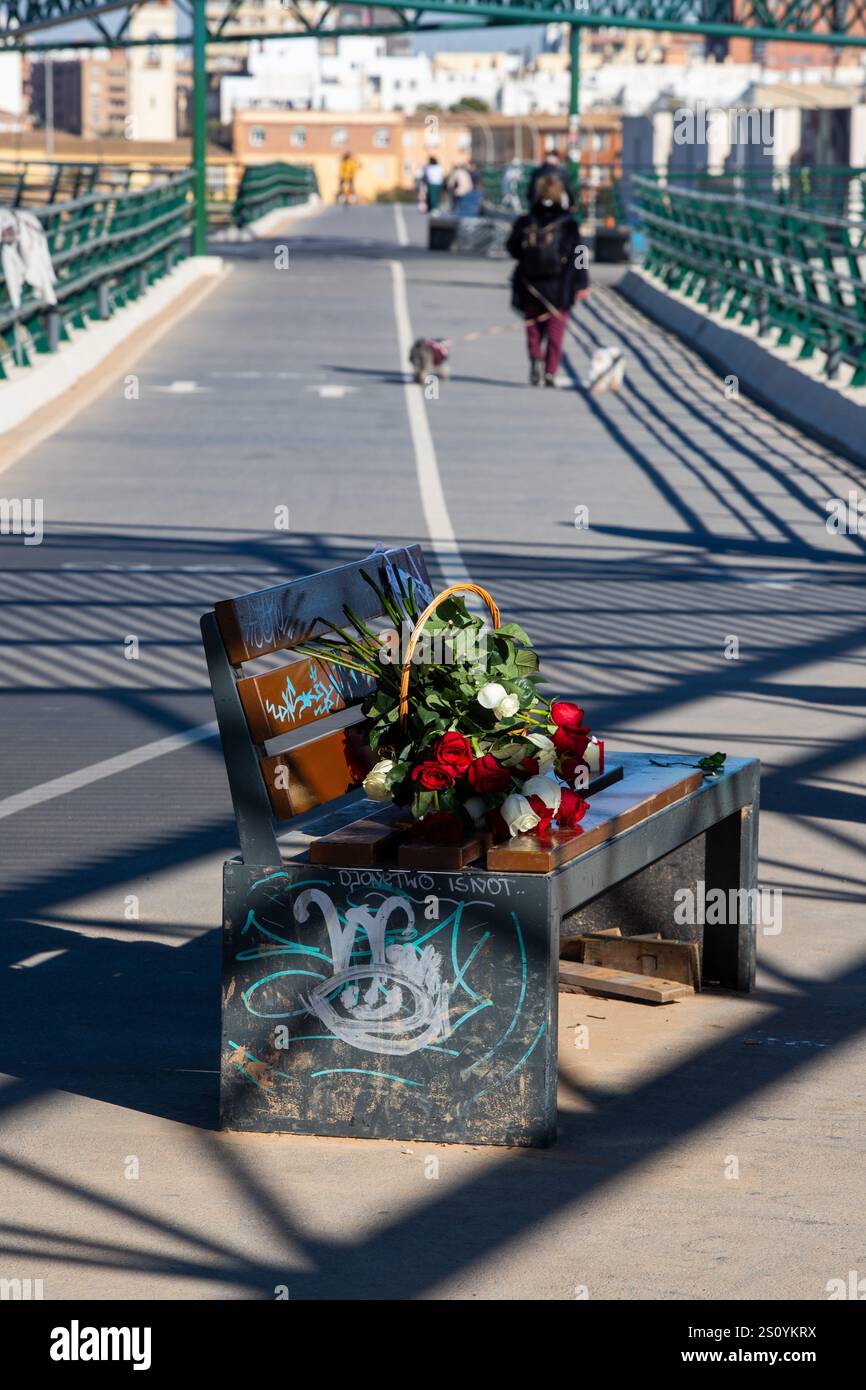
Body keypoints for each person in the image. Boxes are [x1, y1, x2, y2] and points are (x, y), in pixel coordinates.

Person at [506, 172, 590, 388]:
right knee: (555, 331)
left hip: (530, 284)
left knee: (533, 326)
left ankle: (535, 357)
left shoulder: (526, 221)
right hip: (560, 286)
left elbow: (513, 249)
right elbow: (579, 254)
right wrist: (582, 283)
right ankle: (550, 371)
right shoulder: (568, 224)